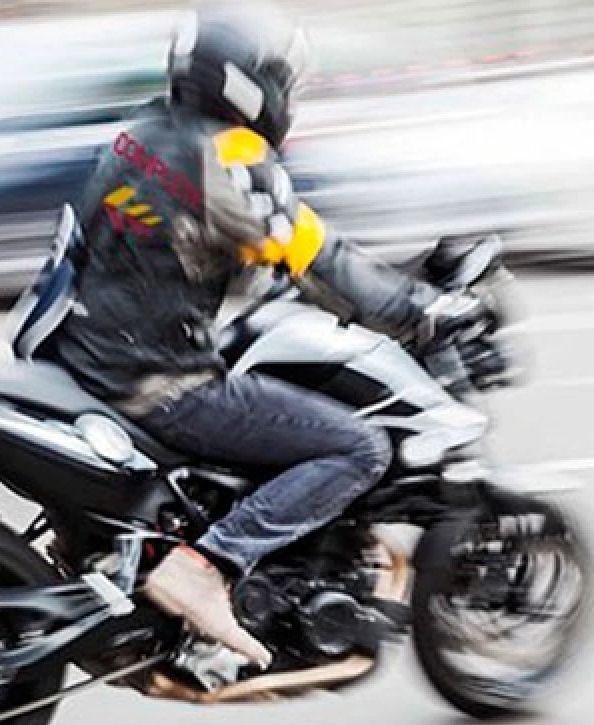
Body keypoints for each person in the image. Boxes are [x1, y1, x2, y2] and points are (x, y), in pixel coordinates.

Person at [55, 2, 484, 668]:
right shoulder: (228, 156)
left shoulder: (140, 136)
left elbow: (197, 250)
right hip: (157, 381)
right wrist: (423, 311)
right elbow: (321, 259)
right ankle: (208, 565)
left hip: (83, 357)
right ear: (248, 84)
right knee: (356, 446)